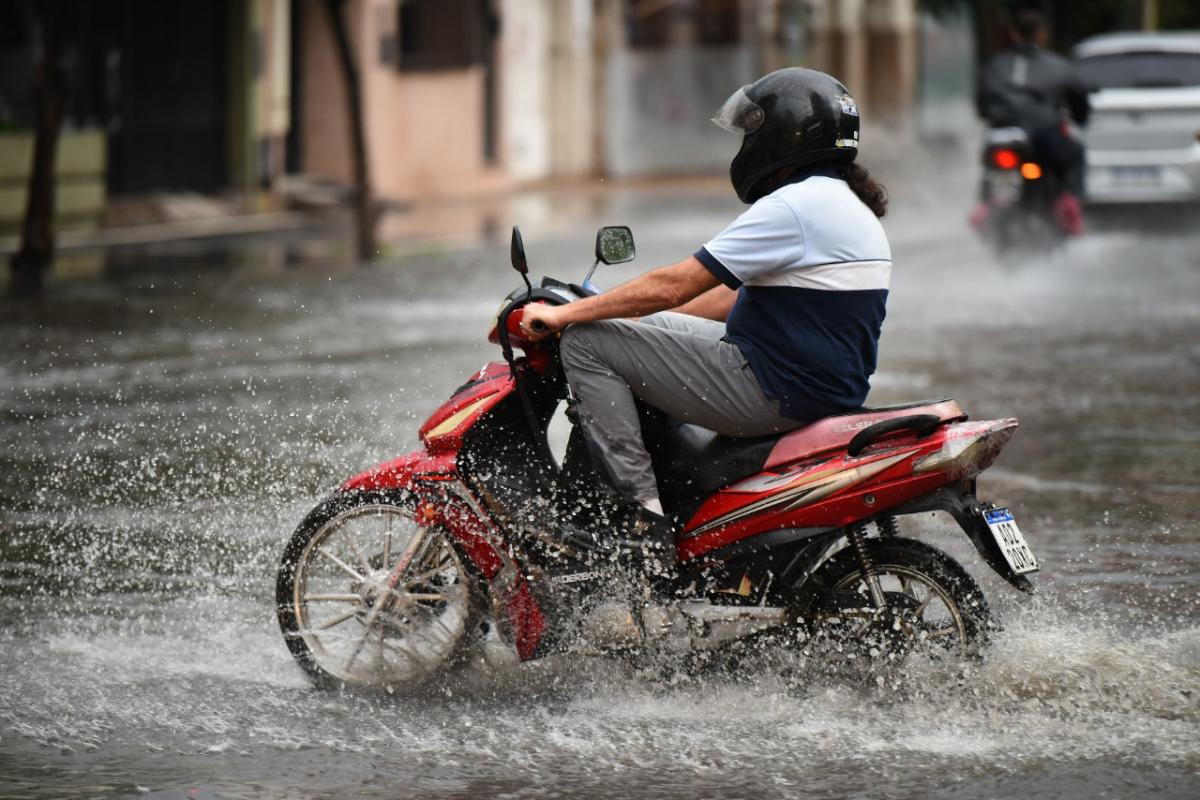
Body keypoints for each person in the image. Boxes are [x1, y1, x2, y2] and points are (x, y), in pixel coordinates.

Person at [521, 68, 891, 572]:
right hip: (813, 385)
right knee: (612, 332)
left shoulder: (795, 207)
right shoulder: (844, 206)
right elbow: (725, 302)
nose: (747, 144)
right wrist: (624, 316)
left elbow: (677, 284)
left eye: (753, 131)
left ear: (785, 134)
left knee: (585, 343)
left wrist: (569, 315)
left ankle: (640, 515)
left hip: (772, 389)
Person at [976, 7, 1091, 231]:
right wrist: (1080, 117)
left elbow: (981, 105)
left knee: (990, 167)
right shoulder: (1059, 65)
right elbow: (1079, 101)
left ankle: (986, 205)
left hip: (1003, 135)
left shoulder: (994, 65)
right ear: (1041, 34)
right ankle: (1069, 203)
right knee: (1075, 152)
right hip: (1044, 136)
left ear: (1013, 33)